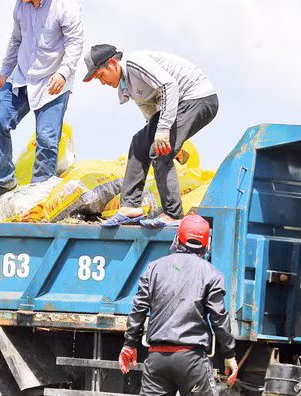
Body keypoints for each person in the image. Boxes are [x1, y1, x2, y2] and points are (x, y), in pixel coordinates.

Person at [83, 44, 218, 228]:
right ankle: (130, 206)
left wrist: (163, 130)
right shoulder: (126, 85)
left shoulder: (135, 63)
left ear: (113, 64)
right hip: (181, 105)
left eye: (100, 76)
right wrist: (161, 134)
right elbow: (151, 113)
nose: (102, 82)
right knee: (140, 142)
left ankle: (173, 214)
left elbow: (169, 86)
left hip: (198, 98)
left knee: (160, 151)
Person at [0, 0, 84, 197]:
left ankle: (38, 192)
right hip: (21, 76)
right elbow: (16, 40)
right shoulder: (20, 5)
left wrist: (63, 73)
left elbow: (75, 43)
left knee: (47, 141)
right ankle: (4, 181)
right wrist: (4, 72)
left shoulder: (65, 5)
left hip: (53, 80)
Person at [119, 215, 238, 395]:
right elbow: (219, 319)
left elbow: (138, 309)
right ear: (207, 244)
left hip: (157, 359)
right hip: (192, 360)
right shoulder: (212, 275)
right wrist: (229, 354)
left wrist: (129, 344)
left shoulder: (154, 268)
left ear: (177, 238)